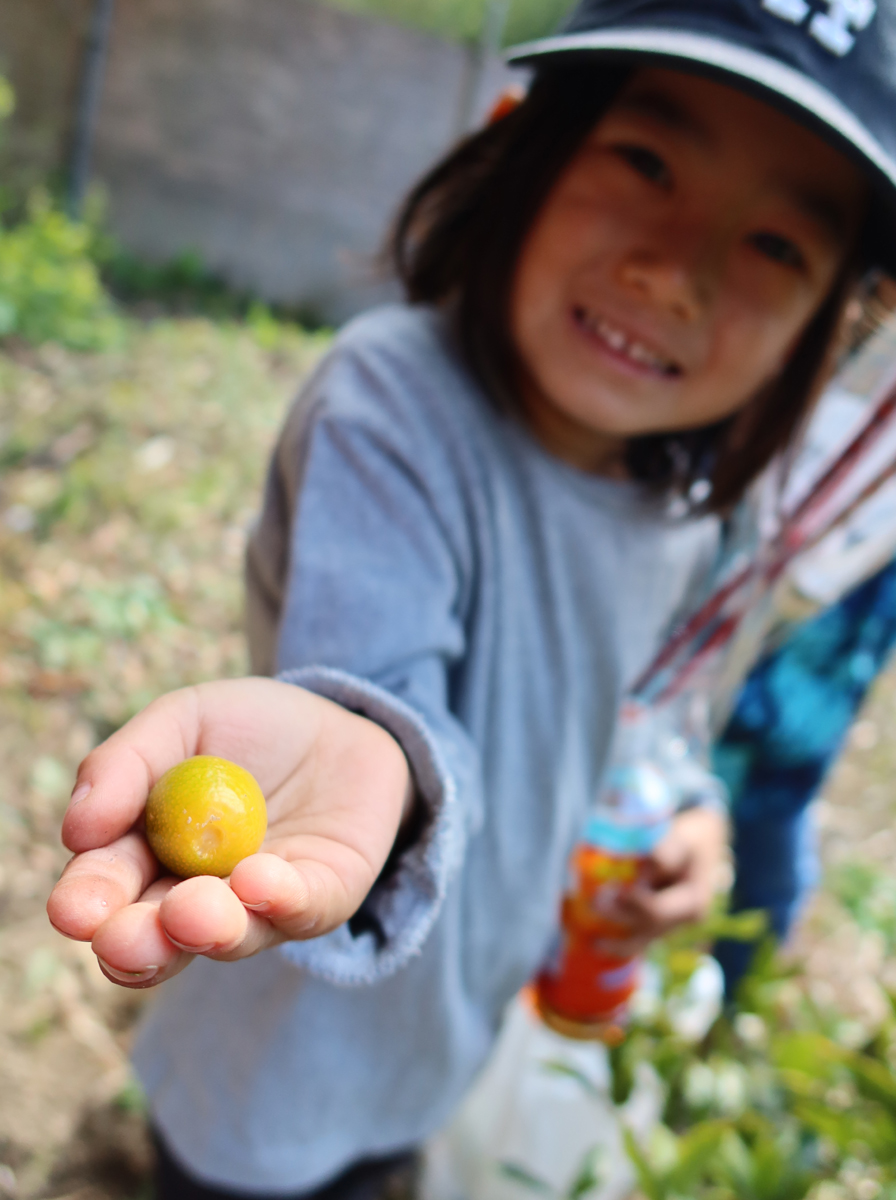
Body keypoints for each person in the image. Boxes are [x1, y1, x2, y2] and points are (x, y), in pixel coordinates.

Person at [46, 0, 896, 1195]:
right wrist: (371, 748)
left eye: (774, 245)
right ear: (522, 144)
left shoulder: (702, 510)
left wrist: (689, 813)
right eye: (646, 161)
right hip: (285, 1067)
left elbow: (652, 713)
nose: (675, 268)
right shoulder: (394, 408)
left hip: (450, 1026)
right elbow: (378, 683)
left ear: (833, 321)